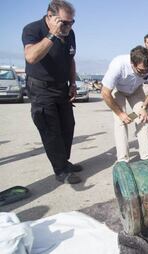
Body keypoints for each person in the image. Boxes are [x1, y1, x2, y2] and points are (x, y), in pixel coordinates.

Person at [22, 0, 81, 184]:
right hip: (40, 88)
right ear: (50, 16)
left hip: (61, 87)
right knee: (50, 130)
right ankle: (60, 170)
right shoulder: (33, 30)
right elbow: (31, 57)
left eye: (71, 22)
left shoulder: (70, 34)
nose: (68, 26)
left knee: (68, 126)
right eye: (64, 22)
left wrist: (72, 83)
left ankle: (64, 161)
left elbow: (71, 60)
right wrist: (52, 35)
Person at [101, 46, 148, 162]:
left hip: (136, 90)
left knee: (142, 118)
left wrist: (144, 106)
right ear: (132, 63)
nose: (144, 74)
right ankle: (123, 160)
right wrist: (121, 113)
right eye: (141, 71)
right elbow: (105, 93)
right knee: (121, 122)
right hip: (118, 90)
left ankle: (146, 157)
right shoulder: (118, 65)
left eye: (146, 71)